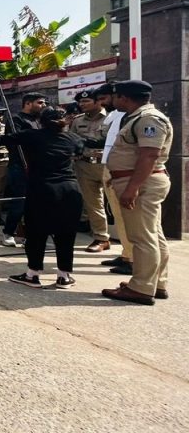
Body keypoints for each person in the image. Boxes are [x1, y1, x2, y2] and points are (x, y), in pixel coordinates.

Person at [0, 107, 84, 289]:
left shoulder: (32, 136)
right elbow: (86, 146)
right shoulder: (73, 138)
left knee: (36, 232)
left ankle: (32, 274)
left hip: (42, 189)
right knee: (66, 234)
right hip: (70, 189)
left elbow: (2, 139)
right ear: (64, 122)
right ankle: (64, 276)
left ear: (41, 121)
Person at [102, 80, 173, 306]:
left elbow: (149, 156)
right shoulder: (137, 118)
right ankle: (156, 283)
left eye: (115, 96)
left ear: (125, 97)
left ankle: (141, 288)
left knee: (142, 237)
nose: (113, 101)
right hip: (141, 181)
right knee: (153, 234)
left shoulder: (148, 119)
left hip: (140, 183)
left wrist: (132, 189)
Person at [94, 83, 133, 274]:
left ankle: (133, 259)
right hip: (110, 167)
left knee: (127, 218)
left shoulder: (130, 117)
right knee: (118, 215)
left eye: (104, 99)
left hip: (122, 171)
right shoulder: (116, 116)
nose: (102, 103)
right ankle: (127, 254)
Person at [1, 92, 47, 246]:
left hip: (38, 166)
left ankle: (32, 235)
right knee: (20, 201)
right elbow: (15, 141)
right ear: (28, 103)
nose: (43, 106)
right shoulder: (16, 120)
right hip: (19, 165)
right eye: (40, 103)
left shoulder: (40, 120)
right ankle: (8, 232)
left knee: (37, 203)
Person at [69, 89, 111, 253]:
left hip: (107, 166)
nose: (82, 104)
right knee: (93, 204)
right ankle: (101, 238)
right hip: (85, 166)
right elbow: (71, 140)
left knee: (116, 203)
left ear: (98, 101)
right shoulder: (78, 120)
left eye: (86, 101)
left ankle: (128, 242)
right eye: (80, 102)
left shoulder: (111, 119)